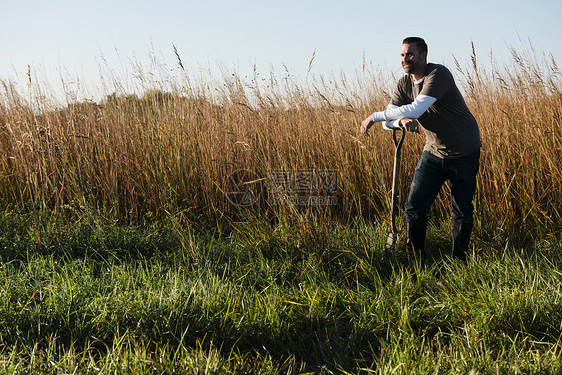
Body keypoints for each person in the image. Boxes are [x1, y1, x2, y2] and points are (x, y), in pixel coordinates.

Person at [360, 37, 481, 261]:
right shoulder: (403, 84)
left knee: (462, 209)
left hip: (464, 151)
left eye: (411, 54)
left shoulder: (438, 75)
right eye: (403, 55)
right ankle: (416, 261)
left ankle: (459, 261)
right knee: (414, 207)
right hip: (433, 152)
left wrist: (374, 117)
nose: (405, 59)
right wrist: (401, 122)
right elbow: (391, 120)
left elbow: (415, 109)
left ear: (424, 55)